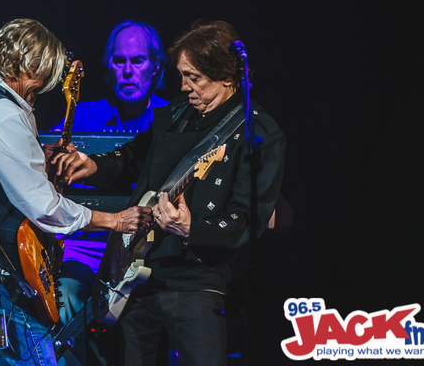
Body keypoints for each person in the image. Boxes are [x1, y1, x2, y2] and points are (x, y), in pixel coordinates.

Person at [0, 19, 152, 366]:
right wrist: (113, 220)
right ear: (27, 66)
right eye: (39, 84)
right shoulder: (4, 111)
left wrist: (38, 153)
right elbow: (45, 207)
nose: (37, 96)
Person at [50, 20, 286, 366]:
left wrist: (192, 228)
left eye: (194, 78)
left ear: (226, 76)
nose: (184, 87)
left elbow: (249, 219)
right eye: (181, 76)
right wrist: (95, 166)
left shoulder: (258, 132)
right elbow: (134, 156)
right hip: (136, 274)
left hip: (195, 283)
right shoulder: (177, 113)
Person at [50, 21, 168, 366]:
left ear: (155, 67)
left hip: (145, 251)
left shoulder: (168, 118)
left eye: (138, 61)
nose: (128, 71)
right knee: (65, 296)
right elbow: (46, 160)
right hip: (88, 245)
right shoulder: (85, 114)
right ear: (108, 68)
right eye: (119, 62)